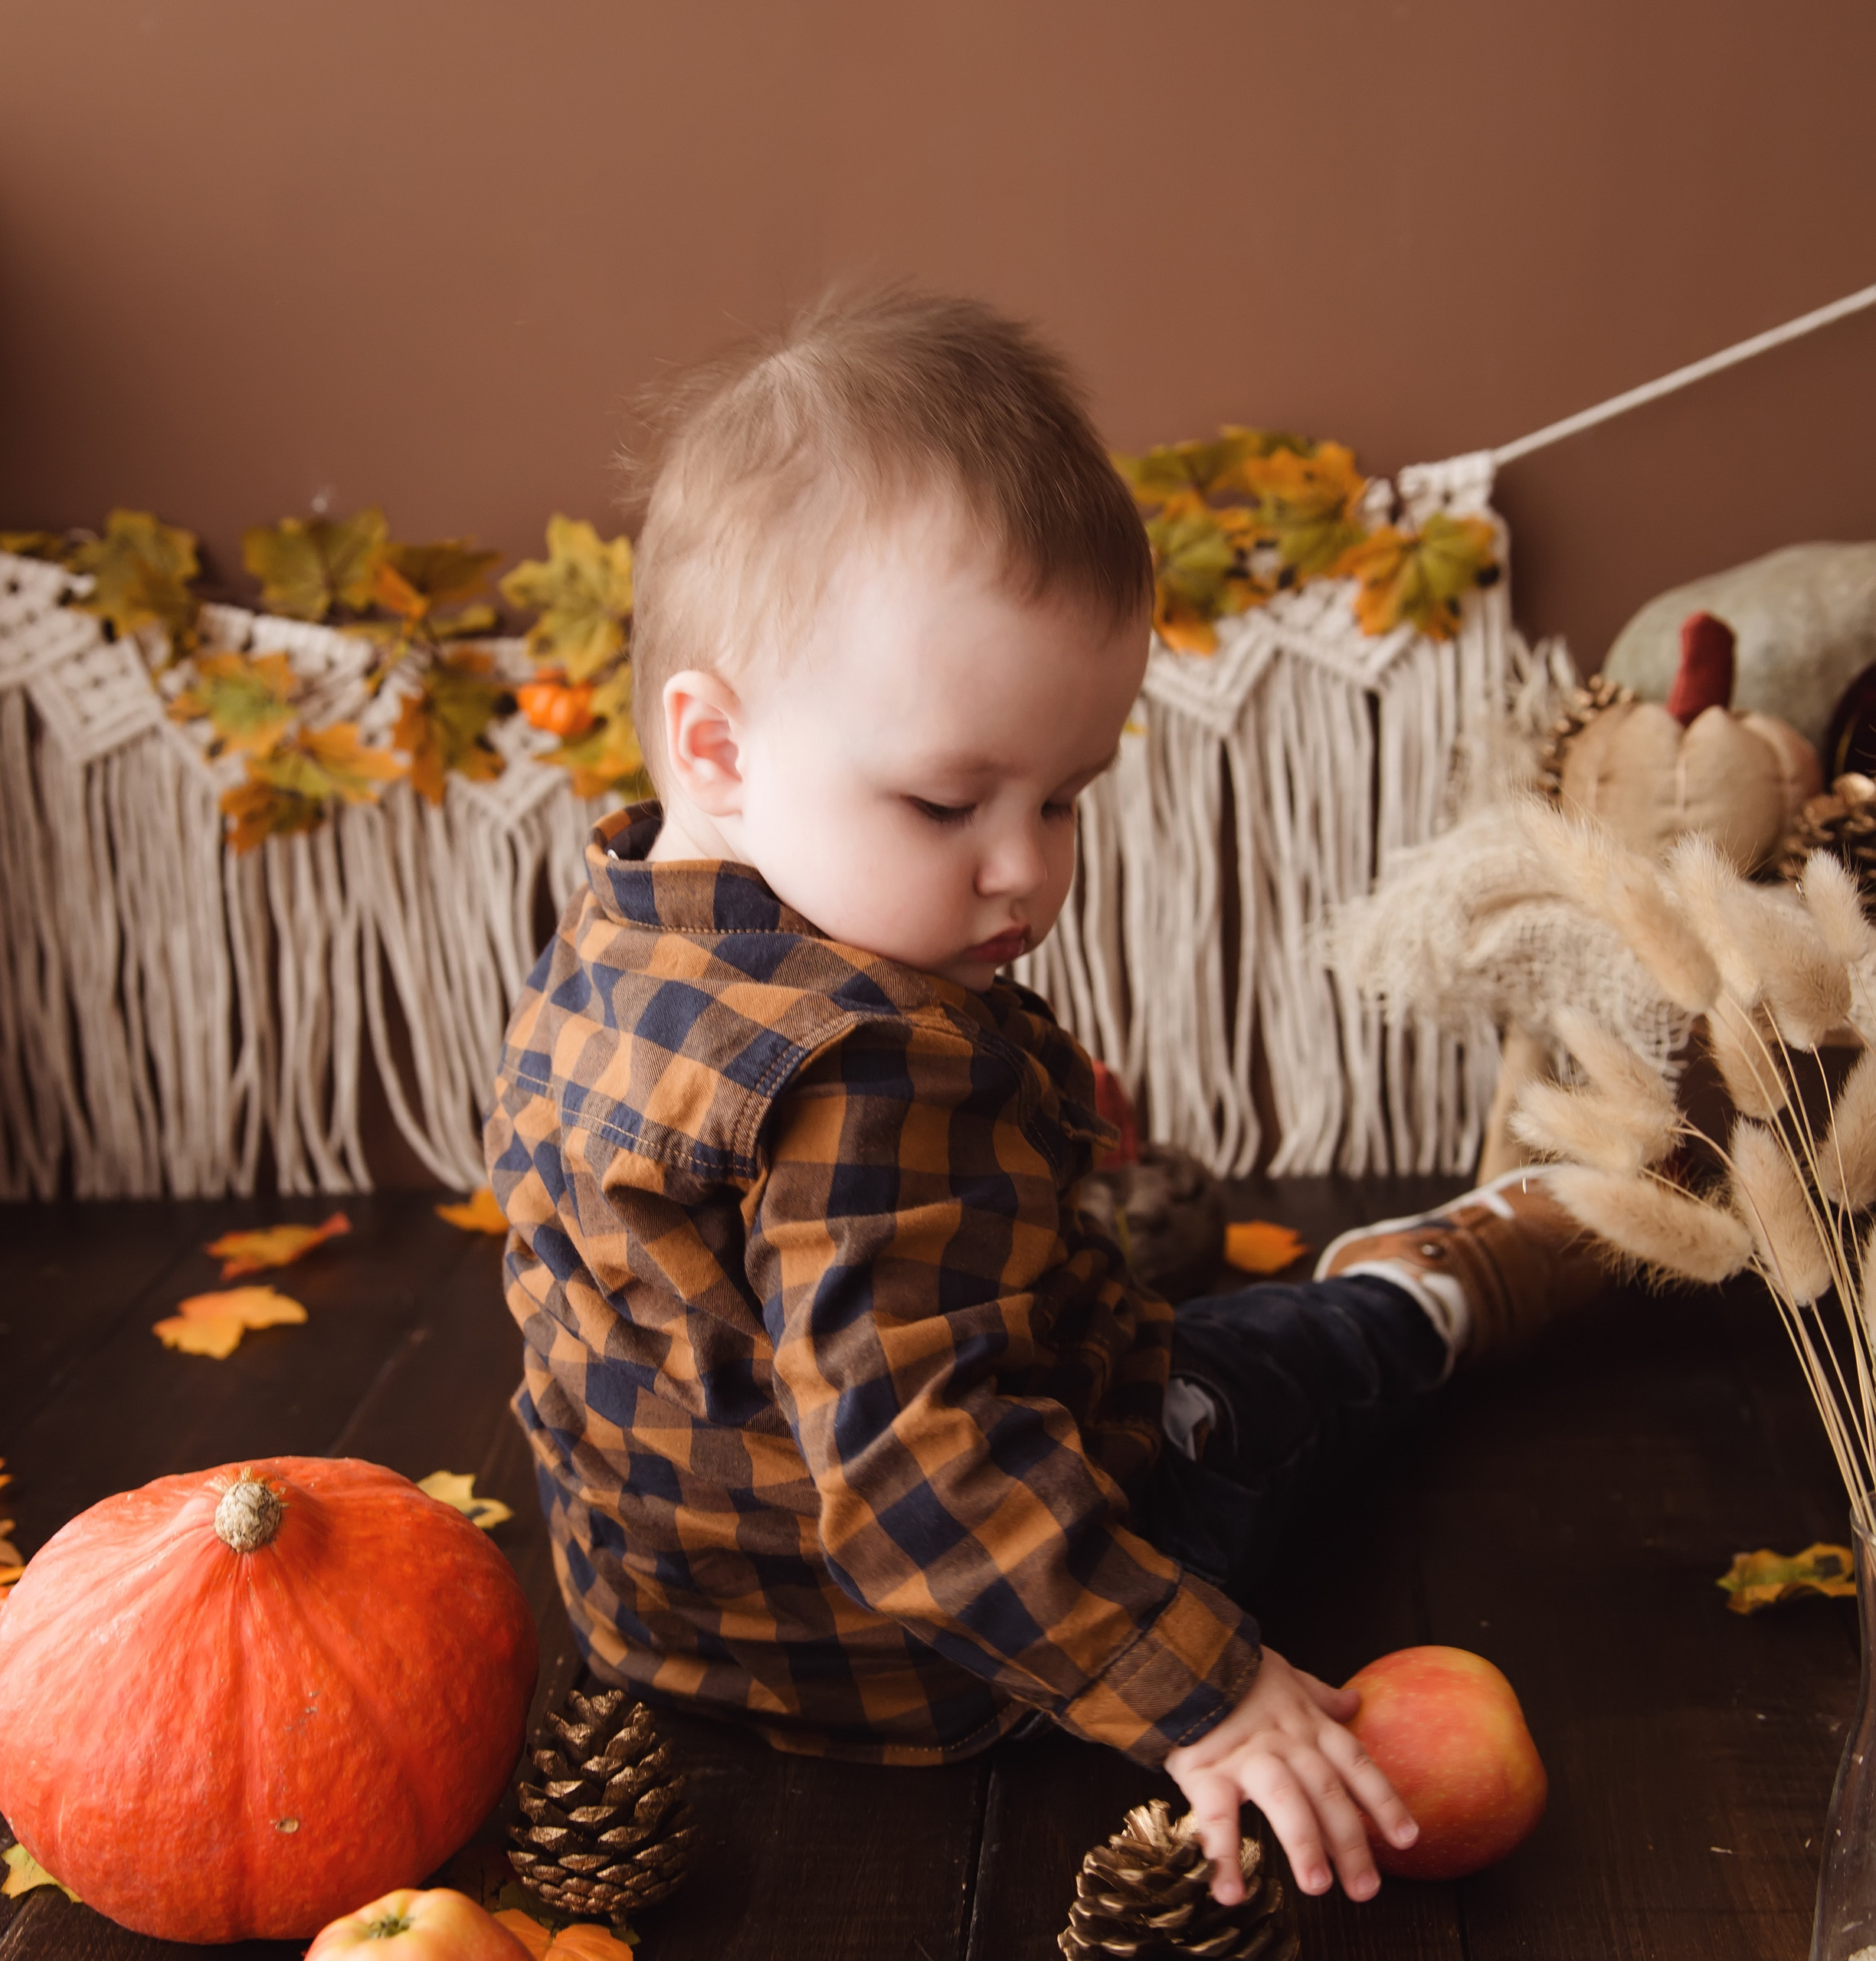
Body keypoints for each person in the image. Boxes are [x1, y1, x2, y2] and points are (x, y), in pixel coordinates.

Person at [486, 289, 1608, 1907]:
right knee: (1262, 1368)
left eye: (1065, 797)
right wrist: (1208, 1692)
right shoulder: (869, 1069)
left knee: (1088, 1301)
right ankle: (1423, 1289)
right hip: (945, 1662)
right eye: (948, 802)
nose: (1023, 868)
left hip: (662, 1629)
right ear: (715, 745)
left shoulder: (610, 932)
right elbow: (919, 1476)